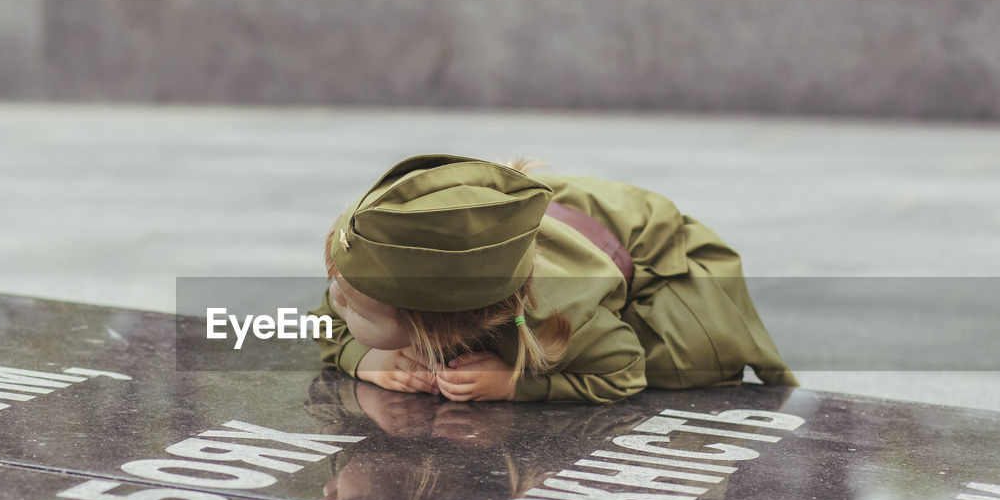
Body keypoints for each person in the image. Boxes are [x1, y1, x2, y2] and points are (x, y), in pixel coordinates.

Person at [313, 154, 797, 403]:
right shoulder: (370, 281)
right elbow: (323, 321)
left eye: (355, 308)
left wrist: (514, 387)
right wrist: (365, 358)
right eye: (342, 287)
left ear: (435, 330)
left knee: (682, 361)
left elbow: (622, 373)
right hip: (561, 225)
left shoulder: (556, 319)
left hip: (655, 260)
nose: (337, 299)